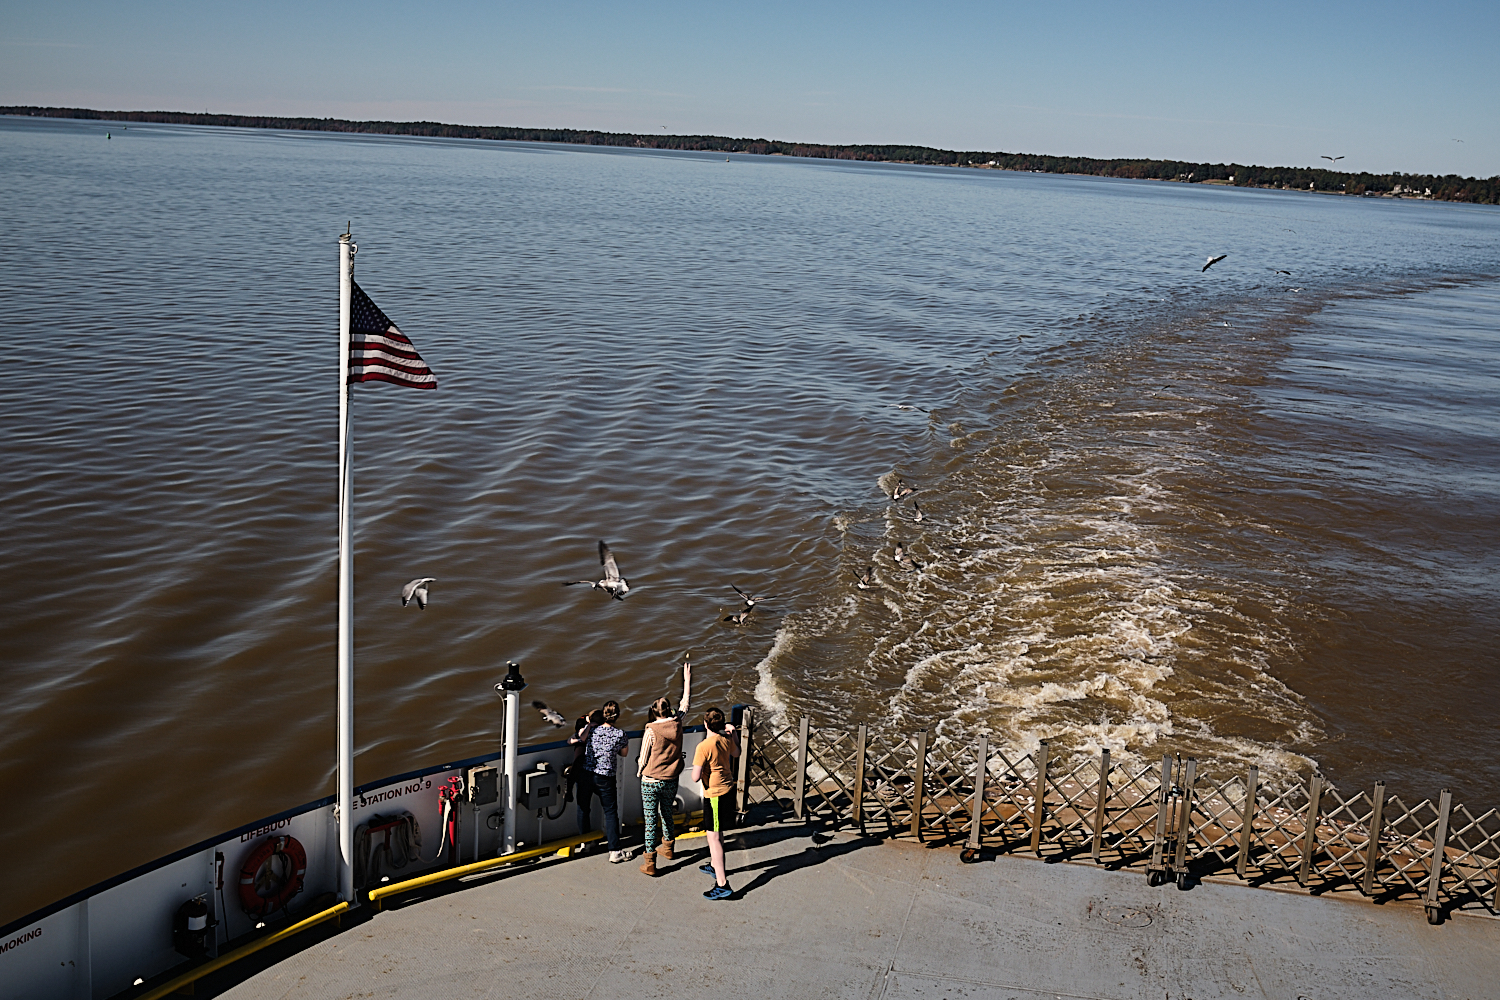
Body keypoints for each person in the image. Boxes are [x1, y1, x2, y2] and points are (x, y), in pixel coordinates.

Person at [636, 656, 692, 876]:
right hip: (671, 778)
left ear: (654, 711)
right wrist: (687, 679)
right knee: (667, 812)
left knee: (650, 820)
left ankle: (650, 862)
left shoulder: (651, 730)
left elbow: (643, 757)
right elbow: (686, 703)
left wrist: (640, 772)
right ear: (668, 710)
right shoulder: (677, 722)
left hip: (650, 781)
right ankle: (668, 848)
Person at [691, 706, 740, 899]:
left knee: (714, 838)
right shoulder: (725, 740)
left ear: (705, 724)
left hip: (714, 796)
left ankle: (722, 883)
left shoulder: (703, 746)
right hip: (728, 789)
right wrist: (734, 733)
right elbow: (737, 753)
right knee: (717, 833)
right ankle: (714, 864)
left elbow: (695, 777)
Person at [570, 704, 631, 861]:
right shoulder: (620, 734)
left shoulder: (591, 730)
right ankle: (615, 851)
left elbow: (577, 739)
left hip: (586, 774)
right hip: (605, 777)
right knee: (610, 812)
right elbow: (624, 754)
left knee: (583, 807)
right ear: (617, 716)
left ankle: (586, 843)